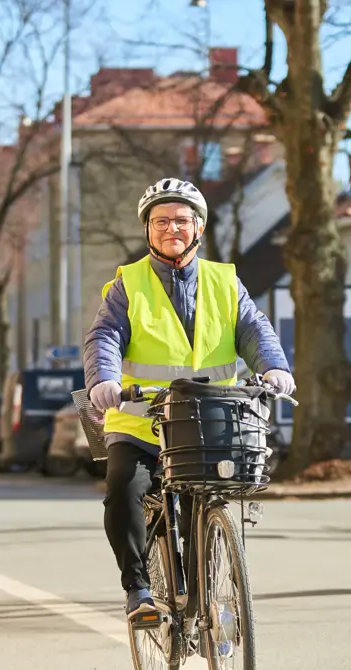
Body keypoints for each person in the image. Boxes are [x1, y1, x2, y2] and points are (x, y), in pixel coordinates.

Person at [83, 178, 295, 622]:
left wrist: (275, 367)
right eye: (160, 221)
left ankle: (205, 591)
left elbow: (254, 329)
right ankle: (139, 589)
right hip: (140, 419)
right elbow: (105, 336)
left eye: (181, 220)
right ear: (147, 230)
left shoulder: (224, 282)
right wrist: (104, 379)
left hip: (209, 419)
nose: (171, 229)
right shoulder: (127, 285)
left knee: (206, 497)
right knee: (124, 487)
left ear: (198, 226)